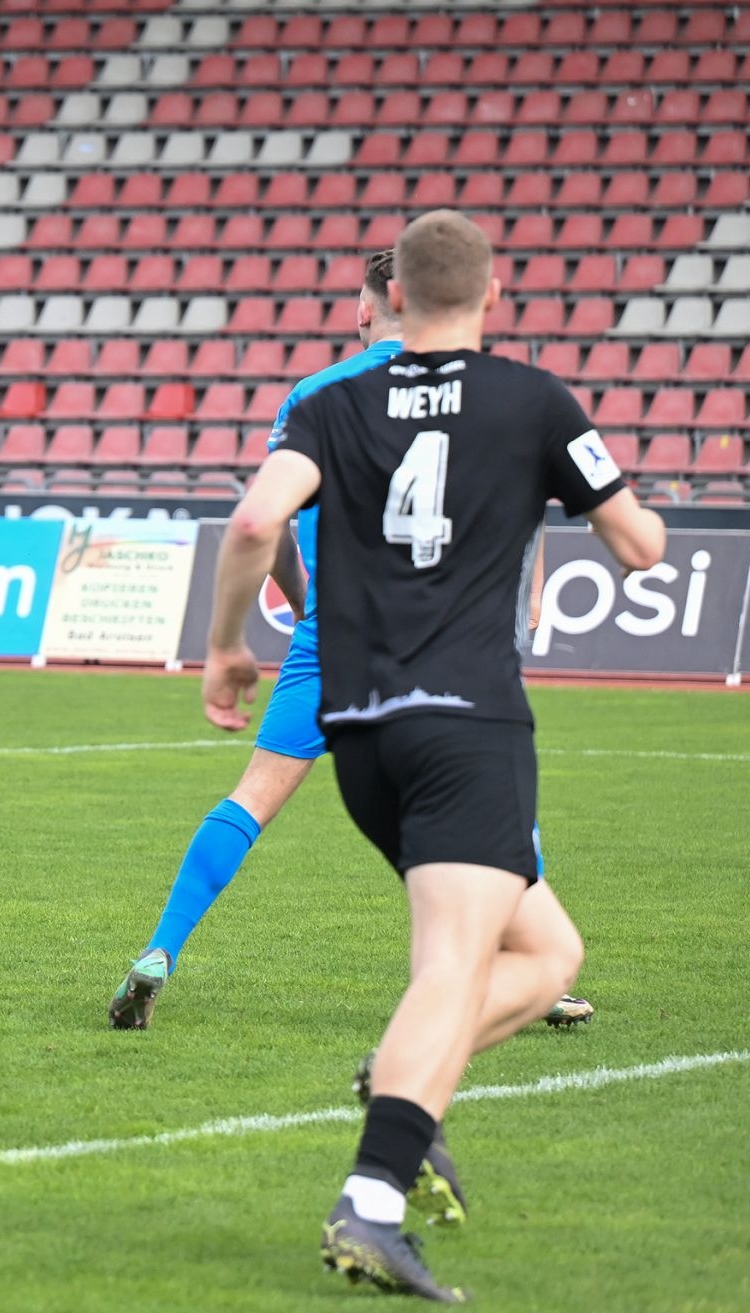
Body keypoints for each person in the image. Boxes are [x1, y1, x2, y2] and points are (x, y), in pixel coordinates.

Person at [201, 211, 665, 1300]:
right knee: (455, 963)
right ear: (493, 295)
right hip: (467, 719)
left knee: (547, 954)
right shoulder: (534, 399)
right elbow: (640, 544)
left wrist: (225, 647)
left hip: (361, 727)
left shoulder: (330, 403)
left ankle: (402, 1077)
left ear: (394, 297)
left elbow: (255, 522)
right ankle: (371, 1200)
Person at [110, 251, 595, 1032]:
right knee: (495, 799)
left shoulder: (318, 394)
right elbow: (520, 498)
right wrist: (526, 592)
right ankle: (532, 968)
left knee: (251, 797)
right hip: (443, 641)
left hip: (332, 635)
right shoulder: (485, 393)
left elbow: (264, 520)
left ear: (367, 308)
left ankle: (159, 948)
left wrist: (301, 603)